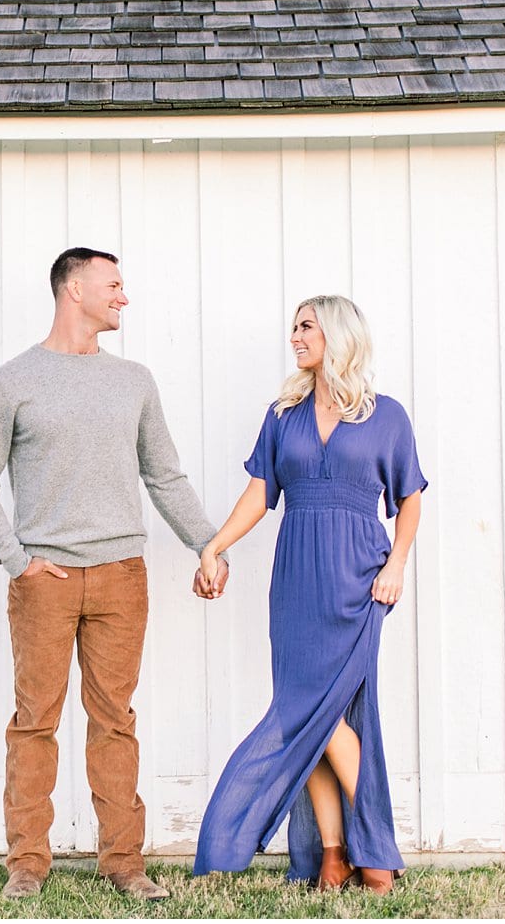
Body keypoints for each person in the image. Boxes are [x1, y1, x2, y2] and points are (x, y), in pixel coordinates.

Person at [0, 247, 229, 901]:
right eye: (113, 285)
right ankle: (26, 864)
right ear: (73, 288)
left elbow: (163, 474)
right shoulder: (10, 382)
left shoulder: (133, 379)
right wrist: (17, 560)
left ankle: (123, 863)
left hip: (119, 577)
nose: (123, 297)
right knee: (34, 722)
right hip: (43, 582)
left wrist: (208, 543)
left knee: (115, 720)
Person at [191, 294, 426, 895]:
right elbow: (259, 493)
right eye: (293, 327)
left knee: (329, 717)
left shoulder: (387, 415)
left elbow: (409, 497)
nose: (294, 336)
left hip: (360, 580)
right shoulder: (284, 412)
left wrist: (397, 563)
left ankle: (373, 848)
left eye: (306, 327)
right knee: (307, 716)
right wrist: (216, 546)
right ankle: (333, 854)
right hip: (297, 580)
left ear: (339, 335)